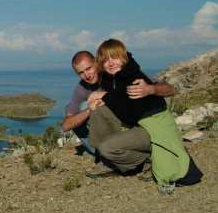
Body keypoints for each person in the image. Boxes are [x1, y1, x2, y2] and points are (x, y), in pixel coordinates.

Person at [86, 39, 202, 193]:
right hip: (136, 124)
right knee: (98, 109)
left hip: (151, 126)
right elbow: (119, 101)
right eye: (106, 60)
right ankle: (107, 160)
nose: (111, 63)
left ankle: (146, 159)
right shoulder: (110, 78)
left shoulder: (135, 79)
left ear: (124, 57)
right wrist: (100, 99)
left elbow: (131, 114)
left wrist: (105, 96)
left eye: (115, 57)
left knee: (107, 147)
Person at [62, 51, 173, 159]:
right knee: (76, 109)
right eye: (81, 73)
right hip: (113, 125)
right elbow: (66, 125)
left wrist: (151, 89)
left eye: (89, 68)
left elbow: (171, 90)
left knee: (89, 106)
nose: (87, 75)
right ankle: (101, 153)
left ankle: (121, 153)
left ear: (96, 62)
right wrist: (89, 109)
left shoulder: (116, 73)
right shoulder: (82, 88)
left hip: (132, 124)